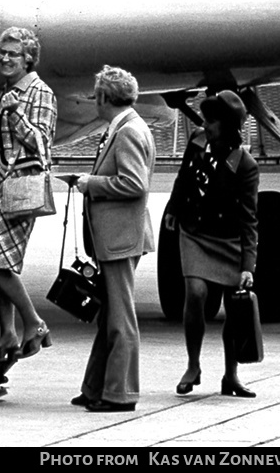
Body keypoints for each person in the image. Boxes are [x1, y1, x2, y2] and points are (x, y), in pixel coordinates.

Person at [62, 65, 156, 413]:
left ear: (104, 98)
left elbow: (134, 185)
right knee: (110, 317)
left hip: (120, 237)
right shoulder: (125, 126)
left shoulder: (129, 132)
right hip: (116, 235)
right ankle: (96, 387)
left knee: (121, 320)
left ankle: (121, 394)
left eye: (95, 94)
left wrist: (91, 185)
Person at [165, 90, 260, 399]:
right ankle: (193, 364)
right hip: (194, 230)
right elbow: (183, 177)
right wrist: (173, 209)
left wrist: (248, 266)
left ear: (229, 126)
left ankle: (231, 375)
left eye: (212, 121)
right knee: (195, 292)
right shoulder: (196, 140)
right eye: (205, 120)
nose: (205, 125)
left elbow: (249, 221)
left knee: (235, 306)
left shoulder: (245, 165)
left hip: (227, 237)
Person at [0, 26, 57, 362]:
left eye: (13, 54)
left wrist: (14, 111)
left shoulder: (39, 92)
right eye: (2, 53)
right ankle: (7, 333)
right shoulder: (7, 90)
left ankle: (33, 322)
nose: (5, 58)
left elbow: (41, 143)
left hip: (18, 190)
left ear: (28, 59)